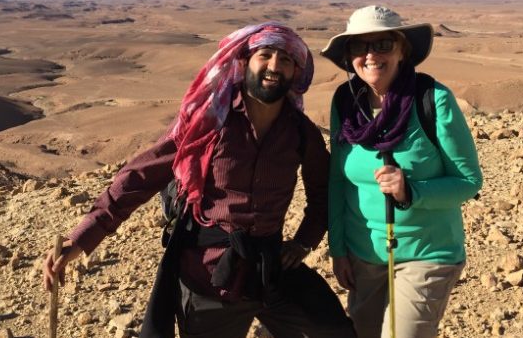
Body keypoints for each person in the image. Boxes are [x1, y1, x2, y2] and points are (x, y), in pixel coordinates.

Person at [43, 23, 356, 338]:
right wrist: (82, 239)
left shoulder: (300, 132)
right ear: (244, 61)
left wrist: (304, 241)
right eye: (266, 55)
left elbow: (323, 191)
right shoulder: (209, 122)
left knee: (335, 330)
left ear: (296, 73)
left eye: (286, 60)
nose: (275, 66)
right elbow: (139, 177)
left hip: (270, 269)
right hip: (209, 277)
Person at [321, 6, 482, 338]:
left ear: (402, 50)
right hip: (363, 253)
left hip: (427, 252)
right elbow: (337, 181)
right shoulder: (345, 102)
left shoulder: (431, 99)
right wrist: (338, 250)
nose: (370, 55)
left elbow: (468, 181)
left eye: (382, 44)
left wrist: (412, 191)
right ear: (348, 55)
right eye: (359, 46)